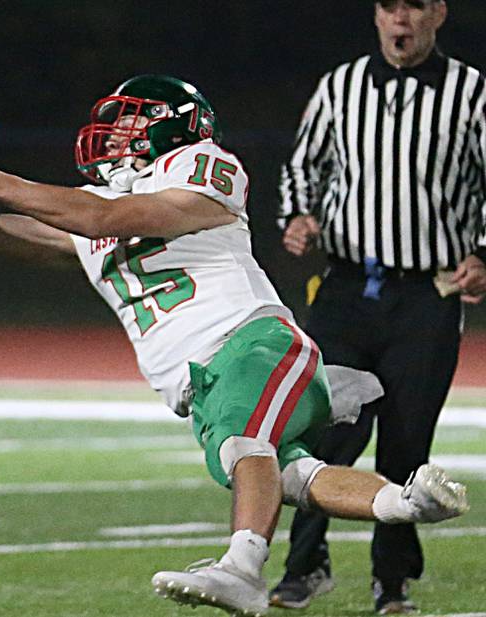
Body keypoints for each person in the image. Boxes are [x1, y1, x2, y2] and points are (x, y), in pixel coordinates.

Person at [0, 75, 468, 617]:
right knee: (292, 475)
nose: (113, 136)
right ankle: (405, 500)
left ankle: (244, 570)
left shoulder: (201, 168)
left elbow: (115, 221)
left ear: (175, 129)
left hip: (253, 344)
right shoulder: (88, 209)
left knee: (243, 446)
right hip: (206, 381)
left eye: (129, 123)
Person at [272, 1, 486, 613]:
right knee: (322, 434)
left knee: (406, 443)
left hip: (427, 295)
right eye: (390, 5)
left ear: (437, 14)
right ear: (376, 15)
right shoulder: (341, 86)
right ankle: (304, 565)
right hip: (345, 291)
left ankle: (391, 580)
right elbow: (301, 167)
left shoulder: (471, 92)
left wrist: (483, 252)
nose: (402, 19)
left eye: (415, 5)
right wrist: (299, 216)